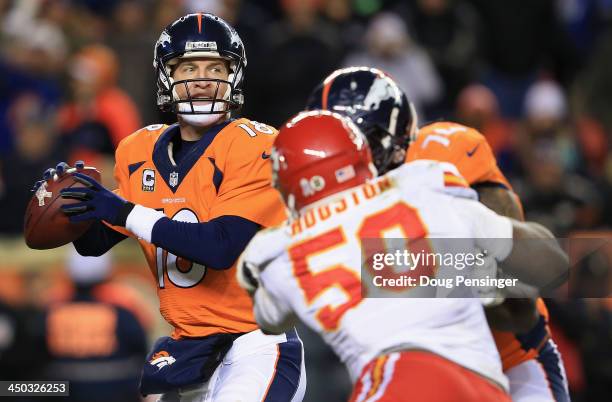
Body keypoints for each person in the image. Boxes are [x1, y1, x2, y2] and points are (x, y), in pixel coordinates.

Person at [33, 13, 305, 402]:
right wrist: (71, 205)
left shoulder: (254, 143)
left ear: (234, 76)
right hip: (186, 349)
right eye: (188, 67)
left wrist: (123, 210)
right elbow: (93, 245)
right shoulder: (137, 150)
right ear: (166, 78)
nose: (202, 78)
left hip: (255, 343)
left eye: (216, 67)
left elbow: (219, 247)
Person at [237, 110, 567, 401]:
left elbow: (269, 317)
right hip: (486, 382)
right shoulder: (426, 181)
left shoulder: (279, 250)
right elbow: (551, 265)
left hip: (398, 374)